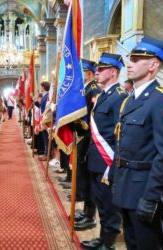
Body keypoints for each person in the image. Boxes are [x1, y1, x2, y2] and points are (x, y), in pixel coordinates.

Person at [112, 36, 163, 250]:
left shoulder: (162, 100)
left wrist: (151, 197)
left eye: (137, 59)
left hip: (145, 190)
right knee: (133, 245)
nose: (130, 63)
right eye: (131, 58)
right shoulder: (130, 99)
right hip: (126, 187)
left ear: (153, 65)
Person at [81, 52, 127, 250]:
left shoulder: (119, 97)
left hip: (108, 161)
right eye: (97, 69)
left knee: (109, 205)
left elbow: (120, 134)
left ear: (113, 72)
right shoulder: (103, 95)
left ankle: (108, 244)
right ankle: (102, 238)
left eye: (101, 70)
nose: (97, 73)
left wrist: (114, 163)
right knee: (101, 202)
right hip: (97, 158)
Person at [73, 59, 101, 231]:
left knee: (89, 178)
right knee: (83, 174)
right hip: (83, 136)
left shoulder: (93, 90)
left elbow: (91, 116)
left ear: (88, 72)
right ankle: (86, 211)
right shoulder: (87, 88)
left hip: (88, 137)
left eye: (81, 71)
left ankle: (90, 216)